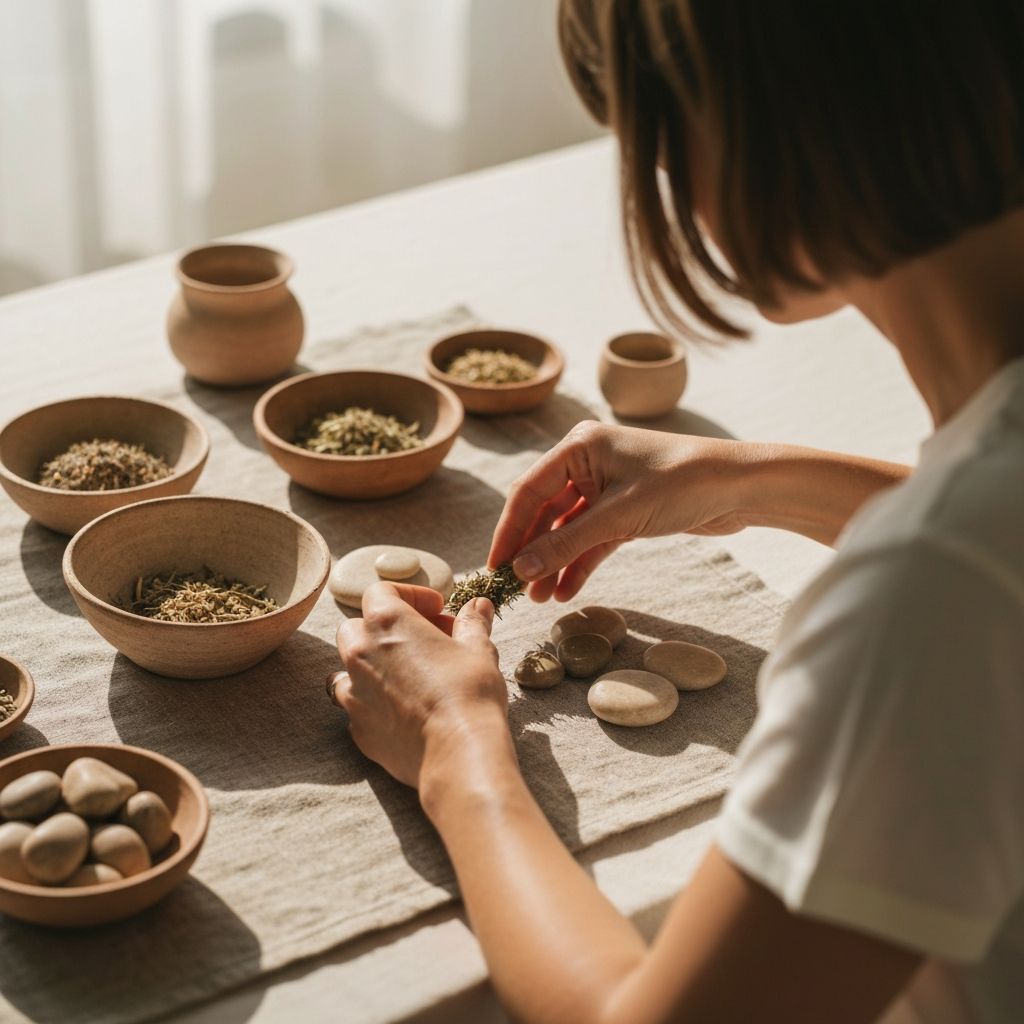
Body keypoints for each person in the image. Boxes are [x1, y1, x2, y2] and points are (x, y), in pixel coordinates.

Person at [328, 2, 1024, 1020]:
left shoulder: (928, 600)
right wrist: (751, 478)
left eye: (658, 144)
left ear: (761, 123)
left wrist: (453, 745)